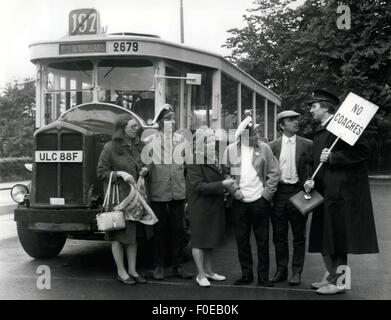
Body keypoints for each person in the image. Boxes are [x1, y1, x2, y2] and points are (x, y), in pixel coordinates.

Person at [304, 89, 379, 295]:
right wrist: (309, 180)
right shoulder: (320, 131)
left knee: (338, 240)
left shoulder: (342, 130)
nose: (311, 110)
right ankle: (331, 276)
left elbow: (363, 151)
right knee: (324, 238)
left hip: (340, 194)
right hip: (323, 193)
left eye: (314, 106)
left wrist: (334, 157)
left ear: (326, 107)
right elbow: (314, 162)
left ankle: (340, 283)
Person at [223, 116, 280, 287]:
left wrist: (266, 195)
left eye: (256, 132)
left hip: (260, 201)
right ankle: (246, 274)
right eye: (253, 133)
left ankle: (263, 277)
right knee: (242, 239)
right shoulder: (230, 150)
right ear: (243, 136)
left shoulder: (265, 149)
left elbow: (274, 173)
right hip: (240, 201)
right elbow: (225, 173)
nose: (257, 136)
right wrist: (234, 190)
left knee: (262, 240)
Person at [97, 114, 149, 285]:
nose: (136, 129)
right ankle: (121, 271)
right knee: (118, 236)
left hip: (134, 199)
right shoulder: (110, 147)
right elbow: (101, 173)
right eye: (132, 126)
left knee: (132, 236)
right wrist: (120, 173)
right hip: (118, 199)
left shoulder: (137, 146)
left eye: (136, 126)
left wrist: (144, 170)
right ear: (122, 128)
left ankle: (133, 270)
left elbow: (144, 164)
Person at [146, 104, 193, 280]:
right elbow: (145, 166)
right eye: (167, 119)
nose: (172, 122)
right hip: (158, 192)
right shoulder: (150, 142)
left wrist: (187, 191)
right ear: (159, 122)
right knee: (158, 231)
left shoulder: (182, 140)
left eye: (173, 118)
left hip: (178, 192)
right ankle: (158, 266)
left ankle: (177, 266)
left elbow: (188, 167)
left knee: (178, 230)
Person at [186, 126, 236, 287]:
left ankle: (209, 271)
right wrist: (222, 184)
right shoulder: (194, 159)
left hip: (213, 204)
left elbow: (223, 174)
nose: (213, 143)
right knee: (199, 241)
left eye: (213, 139)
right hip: (200, 206)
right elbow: (198, 186)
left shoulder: (214, 157)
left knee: (210, 240)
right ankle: (201, 275)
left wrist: (227, 178)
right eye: (209, 140)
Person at [269, 110, 313, 285]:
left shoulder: (308, 144)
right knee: (279, 235)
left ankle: (296, 271)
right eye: (291, 120)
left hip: (299, 192)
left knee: (299, 235)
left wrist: (310, 181)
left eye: (296, 119)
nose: (296, 122)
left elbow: (314, 168)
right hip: (278, 194)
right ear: (281, 125)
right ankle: (281, 270)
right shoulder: (272, 146)